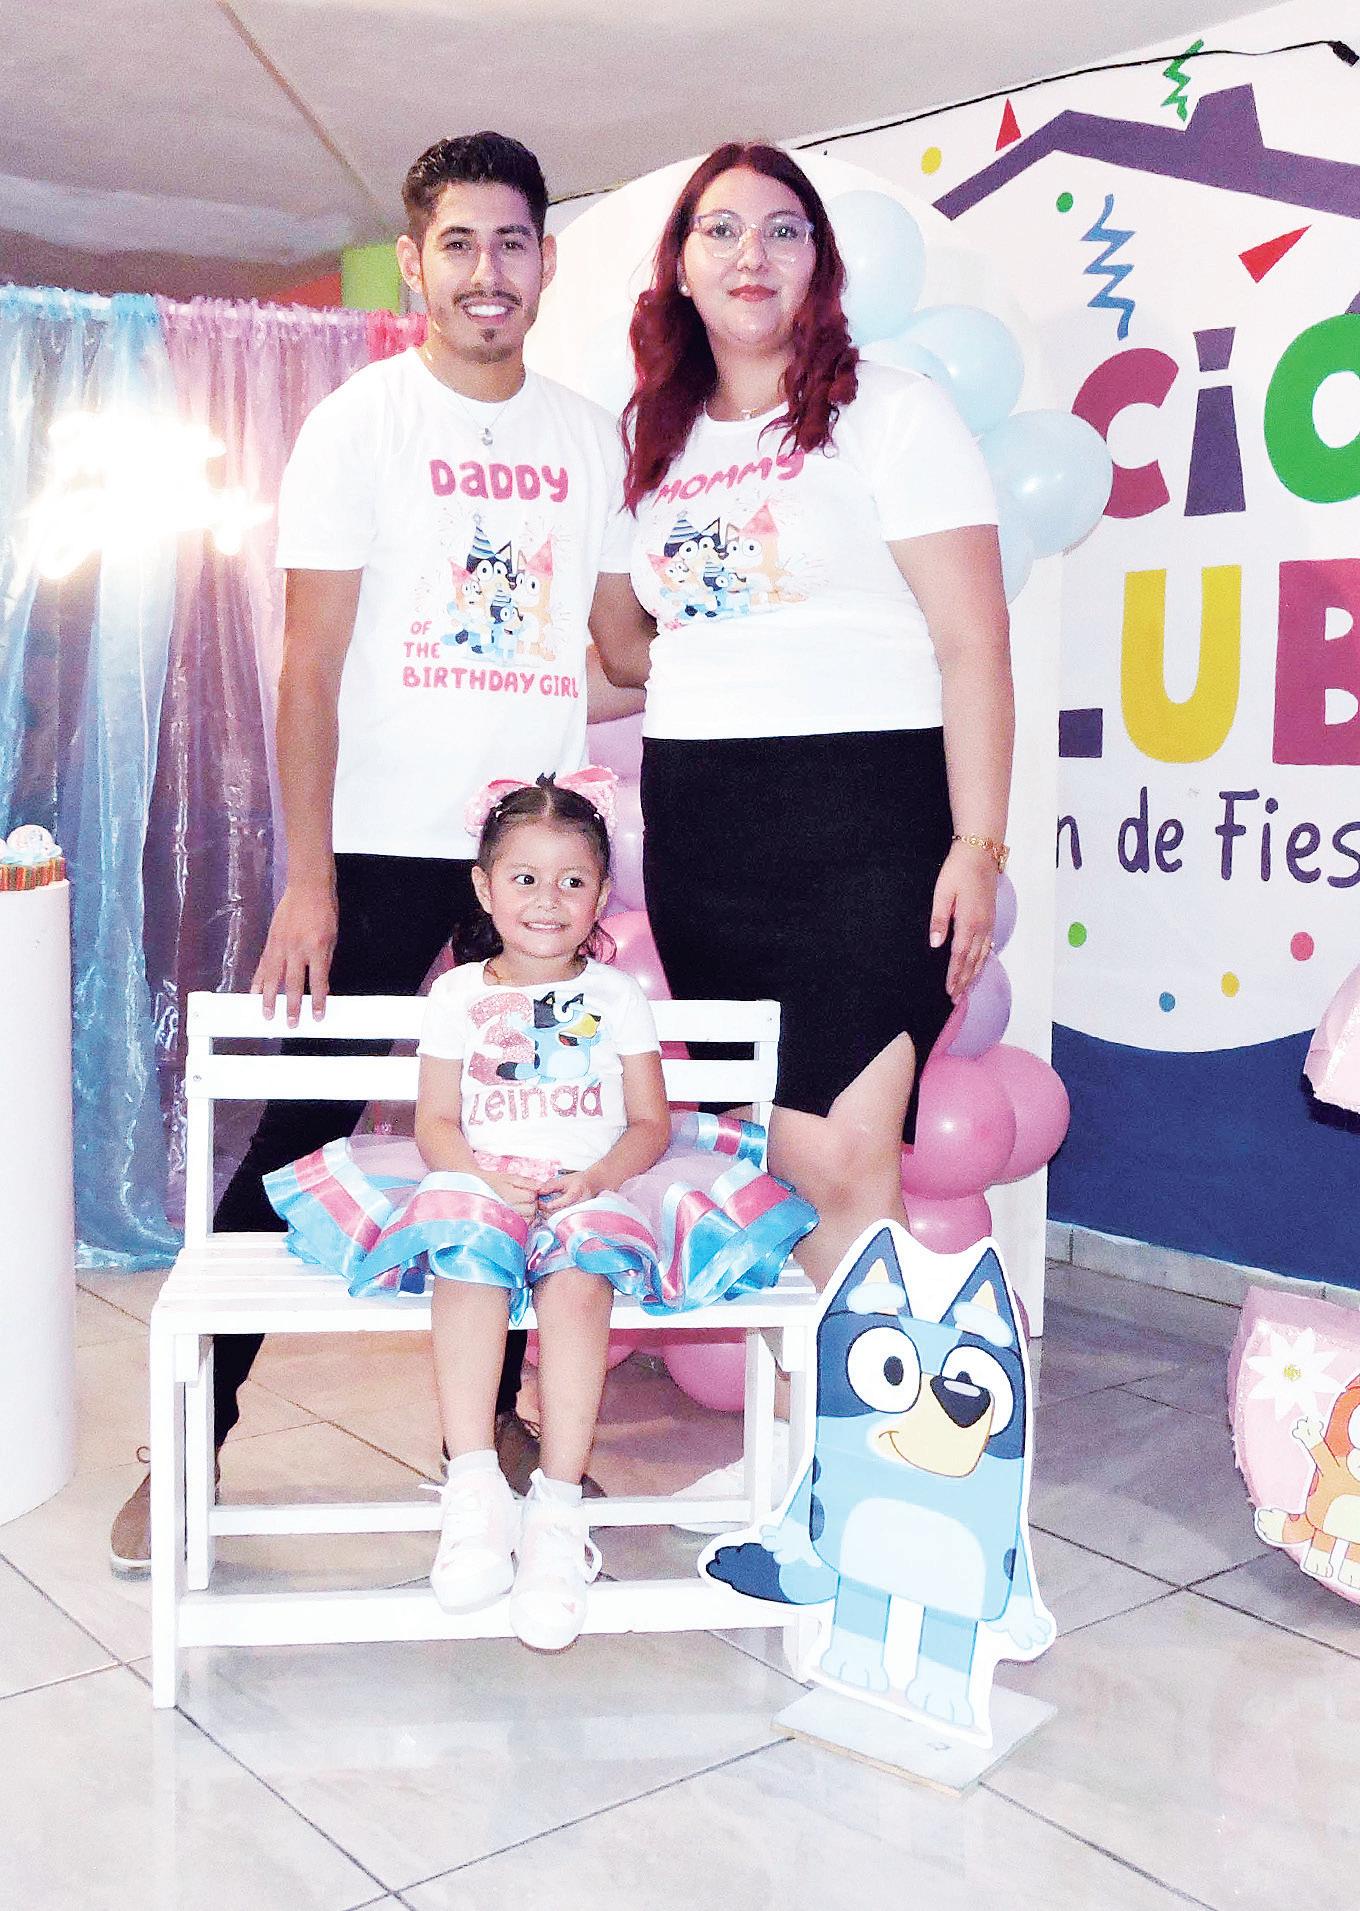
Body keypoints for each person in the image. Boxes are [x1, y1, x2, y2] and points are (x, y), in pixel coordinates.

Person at [110, 129, 642, 1573]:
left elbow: (612, 652)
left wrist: (765, 625)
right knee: (296, 1134)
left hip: (529, 864)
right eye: (458, 244)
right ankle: (188, 1441)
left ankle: (503, 1423)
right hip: (380, 848)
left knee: (537, 1136)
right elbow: (309, 666)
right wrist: (309, 876)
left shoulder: (590, 438)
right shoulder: (359, 423)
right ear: (414, 264)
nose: (487, 271)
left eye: (512, 242)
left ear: (546, 260)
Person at [592, 143, 1012, 1322]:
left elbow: (974, 643)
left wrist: (978, 846)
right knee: (777, 1163)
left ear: (818, 263)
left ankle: (886, 1427)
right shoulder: (653, 440)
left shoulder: (891, 410)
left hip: (866, 827)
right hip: (704, 838)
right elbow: (626, 652)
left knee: (840, 1156)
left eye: (783, 230)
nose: (752, 254)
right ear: (680, 266)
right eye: (720, 230)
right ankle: (832, 1419)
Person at [261, 774, 816, 1648]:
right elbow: (435, 1123)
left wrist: (597, 1178)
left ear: (601, 892)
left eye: (572, 880)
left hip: (592, 1185)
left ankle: (558, 1506)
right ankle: (475, 1490)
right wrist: (481, 1175)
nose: (548, 900)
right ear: (484, 888)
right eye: (524, 878)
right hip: (482, 1179)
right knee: (467, 1249)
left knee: (581, 1273)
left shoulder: (617, 996)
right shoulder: (457, 995)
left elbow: (651, 1122)